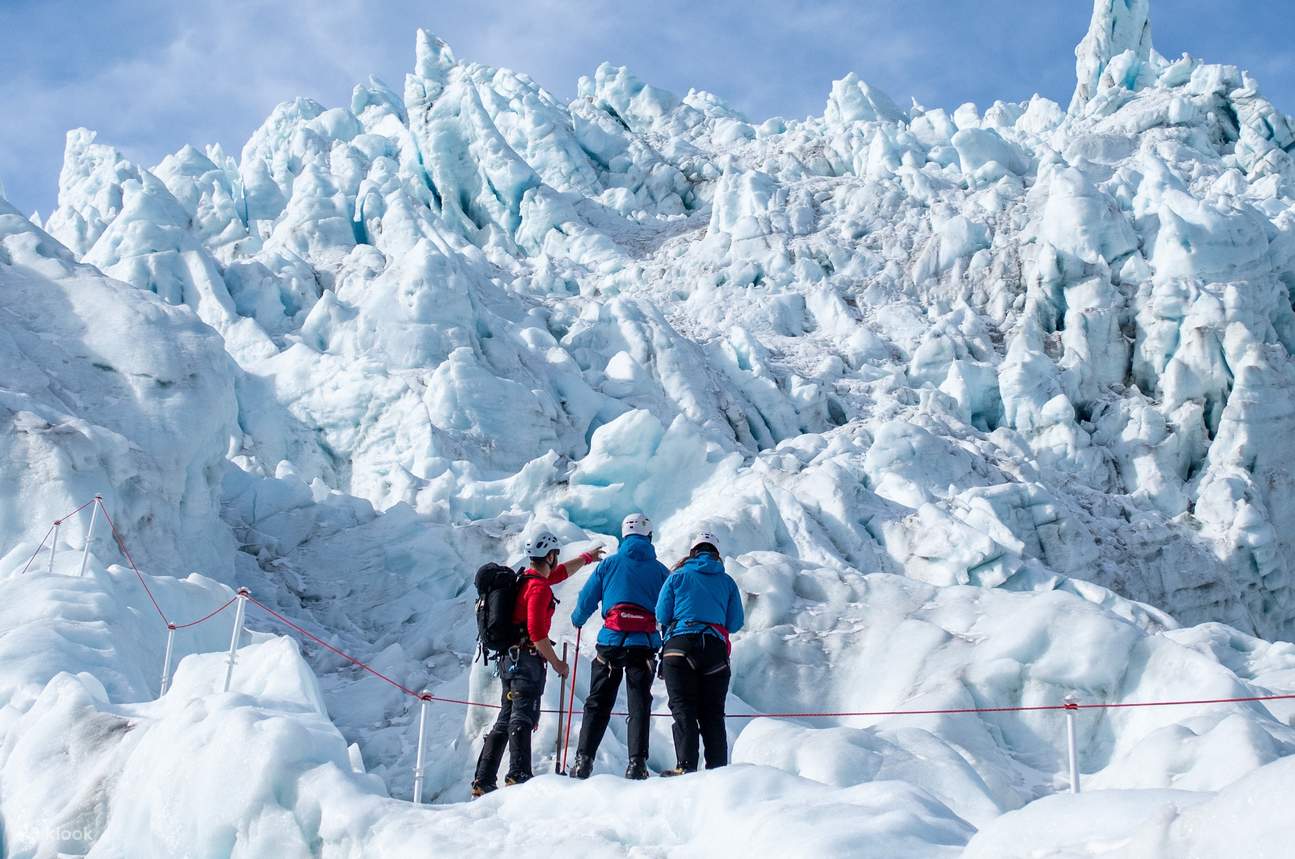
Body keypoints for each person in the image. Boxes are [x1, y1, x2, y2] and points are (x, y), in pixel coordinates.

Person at [472, 531, 604, 796]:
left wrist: (587, 558)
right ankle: (518, 774)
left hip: (509, 660)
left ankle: (483, 779)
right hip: (526, 660)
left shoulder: (527, 579)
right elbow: (536, 633)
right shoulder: (538, 588)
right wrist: (557, 663)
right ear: (551, 555)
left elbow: (562, 573)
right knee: (523, 715)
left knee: (506, 717)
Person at [568, 513, 670, 780]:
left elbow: (587, 598)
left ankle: (583, 761)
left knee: (598, 702)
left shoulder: (609, 565)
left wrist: (578, 619)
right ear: (649, 536)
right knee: (639, 704)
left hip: (611, 643)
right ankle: (637, 764)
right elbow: (670, 609)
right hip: (643, 645)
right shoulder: (660, 571)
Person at [655, 529, 744, 776]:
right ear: (716, 554)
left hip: (679, 649)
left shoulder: (677, 577)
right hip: (714, 651)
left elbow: (661, 615)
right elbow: (735, 623)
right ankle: (718, 771)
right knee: (713, 714)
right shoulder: (727, 581)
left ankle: (686, 766)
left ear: (692, 553)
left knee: (683, 709)